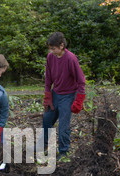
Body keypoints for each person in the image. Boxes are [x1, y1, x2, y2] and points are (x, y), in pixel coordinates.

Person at [42, 32, 86, 160]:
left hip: (68, 96)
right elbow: (48, 77)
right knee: (47, 119)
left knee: (63, 126)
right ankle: (44, 145)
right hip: (56, 94)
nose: (51, 51)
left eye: (53, 48)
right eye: (50, 48)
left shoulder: (71, 59)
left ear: (61, 45)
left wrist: (79, 100)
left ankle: (63, 151)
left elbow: (81, 81)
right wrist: (47, 95)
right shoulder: (50, 57)